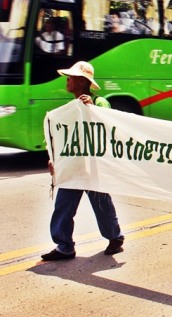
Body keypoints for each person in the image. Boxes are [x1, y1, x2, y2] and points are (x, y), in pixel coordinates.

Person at [41, 61, 124, 261]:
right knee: (63, 205)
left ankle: (115, 237)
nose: (67, 81)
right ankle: (64, 246)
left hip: (93, 166)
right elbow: (61, 138)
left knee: (102, 205)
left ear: (82, 81)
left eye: (71, 78)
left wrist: (92, 107)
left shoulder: (100, 102)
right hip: (73, 166)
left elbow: (109, 120)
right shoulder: (68, 110)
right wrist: (54, 159)